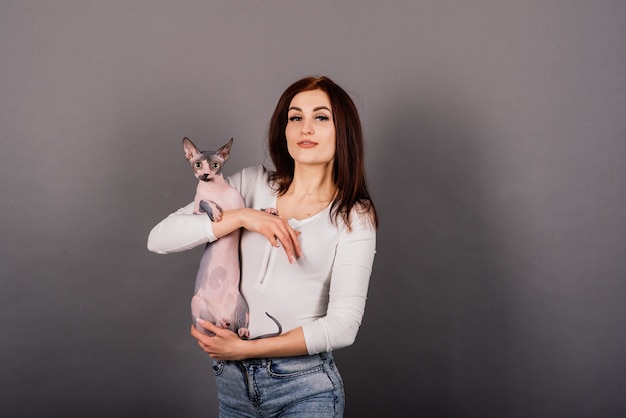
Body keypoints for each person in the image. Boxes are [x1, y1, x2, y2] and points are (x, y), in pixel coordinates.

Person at [147, 76, 378, 417]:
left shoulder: (352, 215)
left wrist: (243, 350)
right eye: (295, 117)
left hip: (305, 387)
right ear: (283, 130)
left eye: (321, 117)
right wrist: (242, 217)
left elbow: (343, 326)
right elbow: (160, 238)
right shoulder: (249, 184)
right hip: (232, 386)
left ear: (342, 131)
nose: (305, 128)